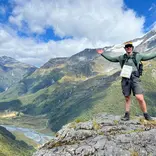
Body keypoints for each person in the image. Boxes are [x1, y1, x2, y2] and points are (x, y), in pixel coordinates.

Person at [96, 41, 156, 121]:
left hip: (135, 78)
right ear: (125, 48)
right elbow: (111, 59)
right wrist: (102, 53)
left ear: (132, 48)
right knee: (127, 97)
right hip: (125, 79)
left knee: (140, 97)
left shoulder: (138, 56)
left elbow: (149, 56)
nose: (128, 48)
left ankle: (146, 115)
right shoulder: (121, 57)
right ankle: (127, 115)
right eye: (127, 47)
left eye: (130, 46)